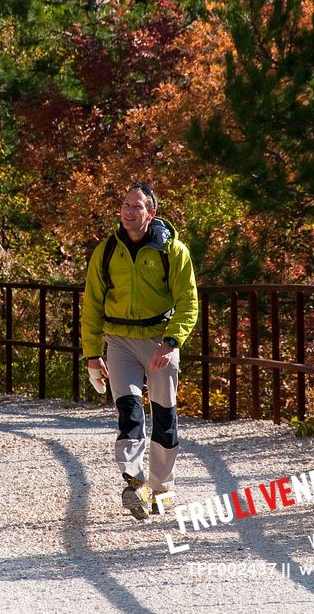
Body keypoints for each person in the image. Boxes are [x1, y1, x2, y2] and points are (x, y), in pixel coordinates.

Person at [82, 184, 198, 520]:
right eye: (125, 204)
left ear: (152, 213)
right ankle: (135, 483)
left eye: (137, 206)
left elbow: (188, 302)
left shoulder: (172, 251)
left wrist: (172, 341)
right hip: (118, 341)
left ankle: (162, 488)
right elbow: (92, 304)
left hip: (159, 340)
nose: (129, 212)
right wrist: (92, 354)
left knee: (164, 417)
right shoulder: (106, 251)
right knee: (129, 412)